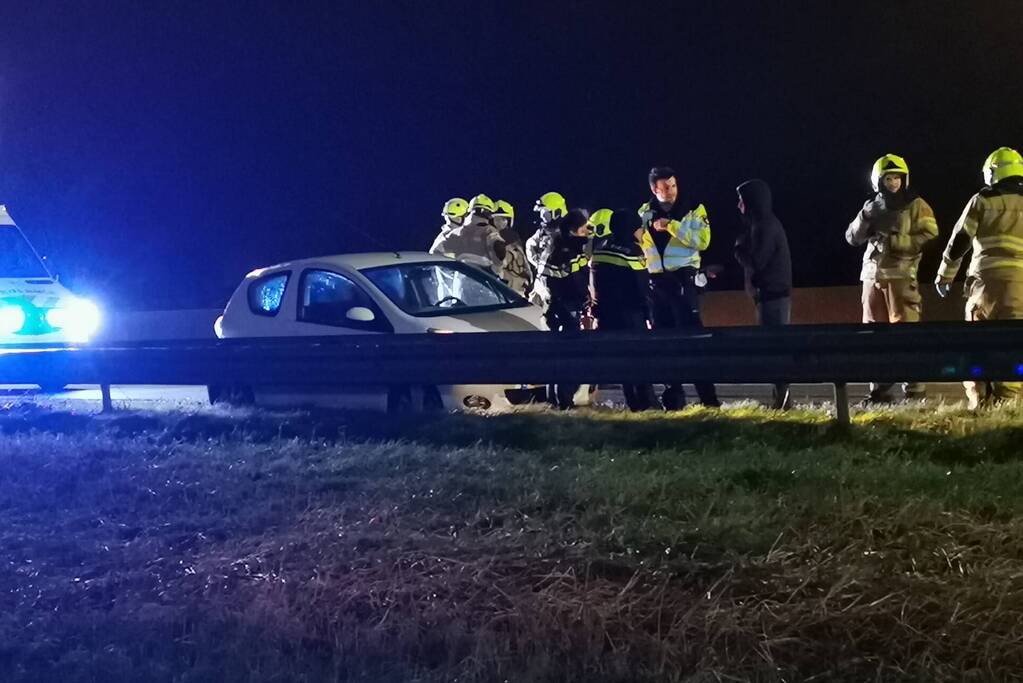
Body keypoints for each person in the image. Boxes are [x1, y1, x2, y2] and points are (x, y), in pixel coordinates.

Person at [845, 154, 939, 404]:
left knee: (907, 336)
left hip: (901, 277)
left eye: (897, 177)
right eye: (889, 178)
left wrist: (898, 242)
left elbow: (931, 234)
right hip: (872, 278)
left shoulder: (917, 204)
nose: (894, 182)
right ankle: (879, 392)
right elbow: (852, 238)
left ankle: (915, 393)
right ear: (878, 181)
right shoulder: (871, 206)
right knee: (874, 337)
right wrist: (866, 217)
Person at [935, 146, 1023, 408]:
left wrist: (945, 275)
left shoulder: (983, 200)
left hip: (984, 286)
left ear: (993, 173)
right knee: (1013, 349)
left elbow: (960, 240)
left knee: (976, 347)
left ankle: (980, 408)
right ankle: (1008, 412)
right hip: (1020, 287)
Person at [639, 166, 720, 409]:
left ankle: (709, 400)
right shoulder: (644, 211)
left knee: (693, 339)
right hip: (656, 283)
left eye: (673, 185)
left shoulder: (694, 209)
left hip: (683, 280)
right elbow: (642, 243)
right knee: (663, 344)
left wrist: (672, 225)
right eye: (664, 187)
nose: (671, 191)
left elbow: (703, 242)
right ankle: (673, 401)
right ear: (654, 189)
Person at [734, 179, 793, 410]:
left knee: (776, 349)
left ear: (752, 202)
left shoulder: (765, 225)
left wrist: (739, 250)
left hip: (774, 296)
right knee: (774, 349)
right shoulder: (762, 224)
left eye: (741, 201)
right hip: (771, 295)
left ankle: (783, 402)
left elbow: (758, 261)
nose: (738, 206)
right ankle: (780, 401)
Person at [591, 209, 654, 411]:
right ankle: (646, 402)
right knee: (640, 360)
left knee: (622, 360)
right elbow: (642, 286)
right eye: (639, 228)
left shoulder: (601, 248)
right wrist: (648, 314)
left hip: (607, 314)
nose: (642, 232)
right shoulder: (632, 251)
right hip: (631, 314)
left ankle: (632, 402)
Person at [544, 208, 590, 409]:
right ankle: (564, 401)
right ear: (574, 231)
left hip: (558, 310)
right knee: (568, 358)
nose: (587, 232)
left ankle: (557, 400)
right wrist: (583, 300)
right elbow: (573, 283)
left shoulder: (559, 248)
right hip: (566, 310)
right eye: (584, 228)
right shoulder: (567, 253)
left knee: (557, 358)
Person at [526, 191, 568, 308]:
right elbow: (530, 245)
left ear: (557, 212)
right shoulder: (542, 232)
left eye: (545, 213)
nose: (542, 216)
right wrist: (540, 263)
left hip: (561, 289)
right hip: (542, 284)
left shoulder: (568, 233)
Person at [492, 200, 532, 297]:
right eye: (496, 219)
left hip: (515, 285)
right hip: (506, 285)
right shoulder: (491, 237)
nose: (500, 223)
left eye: (503, 219)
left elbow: (522, 261)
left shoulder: (511, 237)